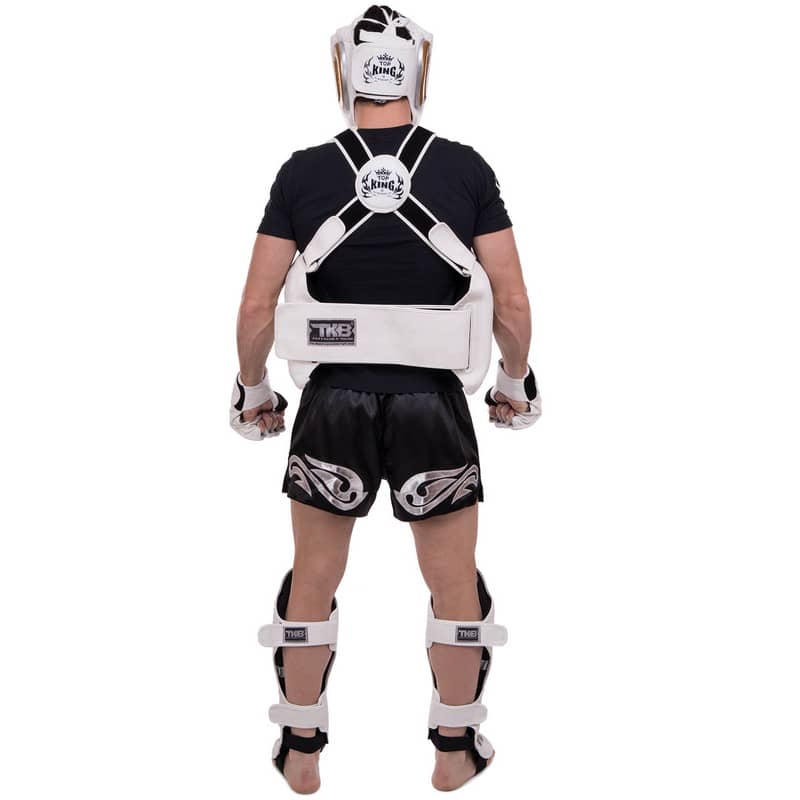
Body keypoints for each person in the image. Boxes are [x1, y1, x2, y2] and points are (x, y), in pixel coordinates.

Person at [230, 5, 541, 793]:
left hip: (332, 402)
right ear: (417, 70)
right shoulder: (464, 168)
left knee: (312, 577)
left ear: (344, 70)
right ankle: (454, 750)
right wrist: (513, 381)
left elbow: (258, 308)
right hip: (432, 406)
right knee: (454, 582)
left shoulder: (303, 171)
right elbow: (511, 303)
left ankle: (301, 748)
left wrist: (254, 389)